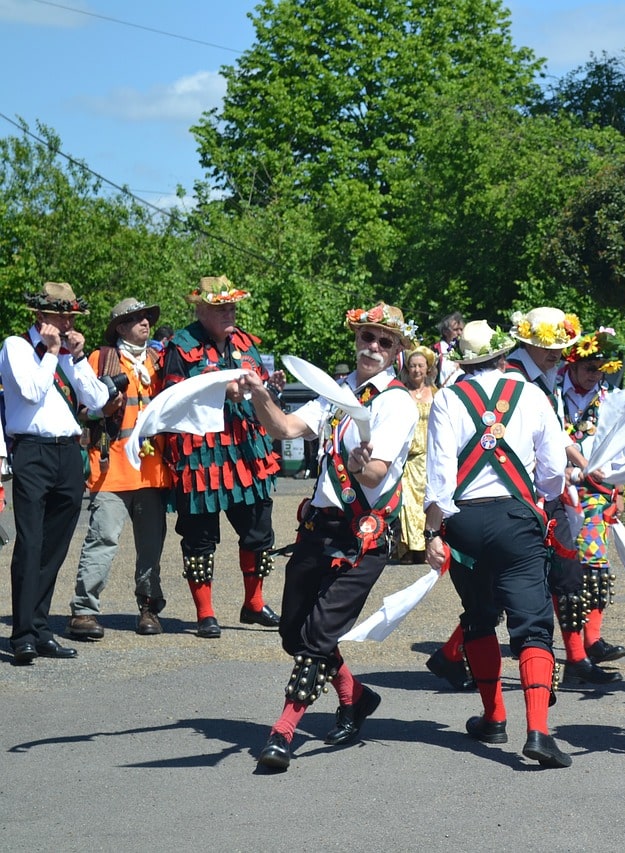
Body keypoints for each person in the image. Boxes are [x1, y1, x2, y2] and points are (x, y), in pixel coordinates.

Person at [244, 302, 418, 770]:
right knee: (292, 632)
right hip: (317, 527)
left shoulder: (395, 402)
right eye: (367, 337)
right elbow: (282, 428)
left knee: (318, 635)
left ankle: (282, 732)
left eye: (385, 341)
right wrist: (259, 392)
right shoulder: (339, 394)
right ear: (357, 340)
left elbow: (376, 473)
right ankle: (355, 697)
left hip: (363, 536)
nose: (374, 347)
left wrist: (363, 463)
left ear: (398, 350)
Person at [424, 320, 573, 768]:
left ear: (465, 362)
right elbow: (553, 471)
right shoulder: (533, 395)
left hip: (465, 522)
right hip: (516, 519)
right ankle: (539, 732)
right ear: (504, 358)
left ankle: (493, 716)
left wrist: (433, 533)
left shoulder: (448, 398)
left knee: (480, 617)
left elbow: (439, 476)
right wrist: (536, 501)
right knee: (531, 623)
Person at [160, 276, 283, 638]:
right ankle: (205, 613)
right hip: (200, 455)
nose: (229, 312)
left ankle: (254, 604)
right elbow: (171, 399)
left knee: (260, 529)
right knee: (199, 536)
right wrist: (218, 392)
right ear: (201, 309)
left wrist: (267, 385)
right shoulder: (180, 346)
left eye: (231, 306)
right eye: (220, 307)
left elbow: (257, 380)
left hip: (247, 450)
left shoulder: (244, 341)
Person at [2, 282, 112, 664]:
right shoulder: (16, 347)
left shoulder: (67, 354)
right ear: (40, 316)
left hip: (68, 453)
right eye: (60, 316)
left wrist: (77, 359)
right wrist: (51, 353)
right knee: (31, 544)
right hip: (32, 451)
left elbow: (98, 401)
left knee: (55, 546)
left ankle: (41, 627)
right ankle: (22, 635)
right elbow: (31, 391)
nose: (67, 323)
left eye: (71, 317)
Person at [67, 298, 170, 639]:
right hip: (111, 469)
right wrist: (102, 410)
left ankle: (148, 608)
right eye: (136, 318)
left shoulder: (159, 360)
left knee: (151, 545)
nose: (145, 322)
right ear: (120, 328)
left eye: (146, 318)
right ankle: (83, 611)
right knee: (102, 539)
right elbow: (81, 410)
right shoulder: (100, 358)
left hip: (152, 471)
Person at [556, 328, 625, 684]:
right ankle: (452, 652)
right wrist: (569, 471)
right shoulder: (553, 393)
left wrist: (614, 486)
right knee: (565, 572)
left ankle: (590, 643)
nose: (595, 372)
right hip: (555, 490)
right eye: (588, 365)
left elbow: (620, 447)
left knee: (595, 566)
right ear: (573, 362)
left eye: (601, 366)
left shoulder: (611, 399)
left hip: (595, 492)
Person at [397, 345, 437, 563]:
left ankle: (426, 545)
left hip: (430, 457)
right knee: (407, 504)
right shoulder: (401, 394)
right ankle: (410, 548)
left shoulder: (437, 393)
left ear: (427, 368)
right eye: (412, 365)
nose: (416, 370)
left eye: (420, 365)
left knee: (427, 503)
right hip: (408, 458)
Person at [433, 312, 465, 388]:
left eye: (461, 329)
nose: (459, 333)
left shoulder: (466, 350)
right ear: (445, 332)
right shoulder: (437, 350)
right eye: (455, 330)